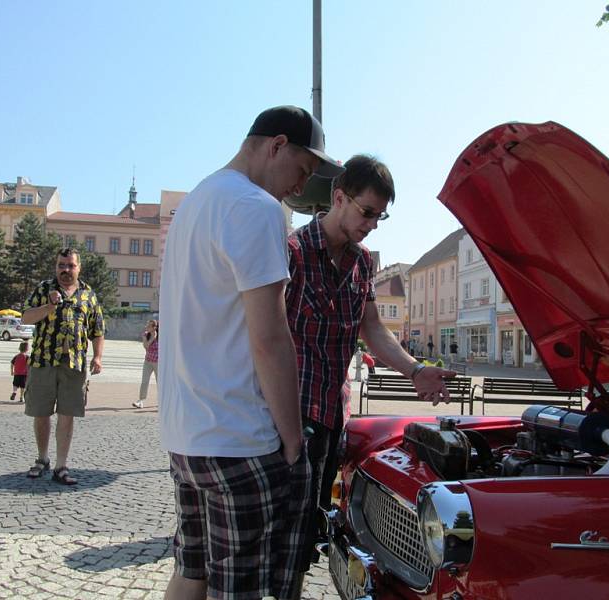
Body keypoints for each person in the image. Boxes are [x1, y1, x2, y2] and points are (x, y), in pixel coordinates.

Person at [159, 105, 342, 600]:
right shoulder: (255, 208)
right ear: (277, 145)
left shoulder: (198, 199)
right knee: (239, 589)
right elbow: (270, 336)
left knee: (192, 571)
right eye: (302, 171)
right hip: (238, 436)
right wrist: (292, 439)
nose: (300, 189)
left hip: (186, 433)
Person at [285, 155, 455, 567]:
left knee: (309, 537)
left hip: (330, 414)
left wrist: (414, 370)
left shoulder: (362, 261)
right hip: (286, 417)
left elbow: (373, 328)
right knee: (279, 538)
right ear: (339, 197)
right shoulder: (293, 251)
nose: (372, 224)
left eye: (380, 216)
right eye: (367, 212)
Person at [21, 247, 105, 486]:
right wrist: (48, 307)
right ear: (56, 266)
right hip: (42, 361)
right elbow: (26, 318)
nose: (65, 270)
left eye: (70, 265)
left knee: (67, 415)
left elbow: (98, 331)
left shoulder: (88, 294)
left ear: (79, 267)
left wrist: (97, 357)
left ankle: (61, 465)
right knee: (41, 413)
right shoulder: (43, 289)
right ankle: (42, 458)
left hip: (74, 365)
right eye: (61, 265)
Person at [133, 319, 158, 409]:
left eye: (149, 326)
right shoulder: (146, 335)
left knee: (159, 382)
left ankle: (161, 401)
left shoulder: (161, 337)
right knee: (144, 381)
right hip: (148, 361)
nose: (147, 327)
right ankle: (140, 401)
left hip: (158, 363)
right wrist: (152, 338)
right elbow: (146, 346)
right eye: (147, 325)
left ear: (154, 327)